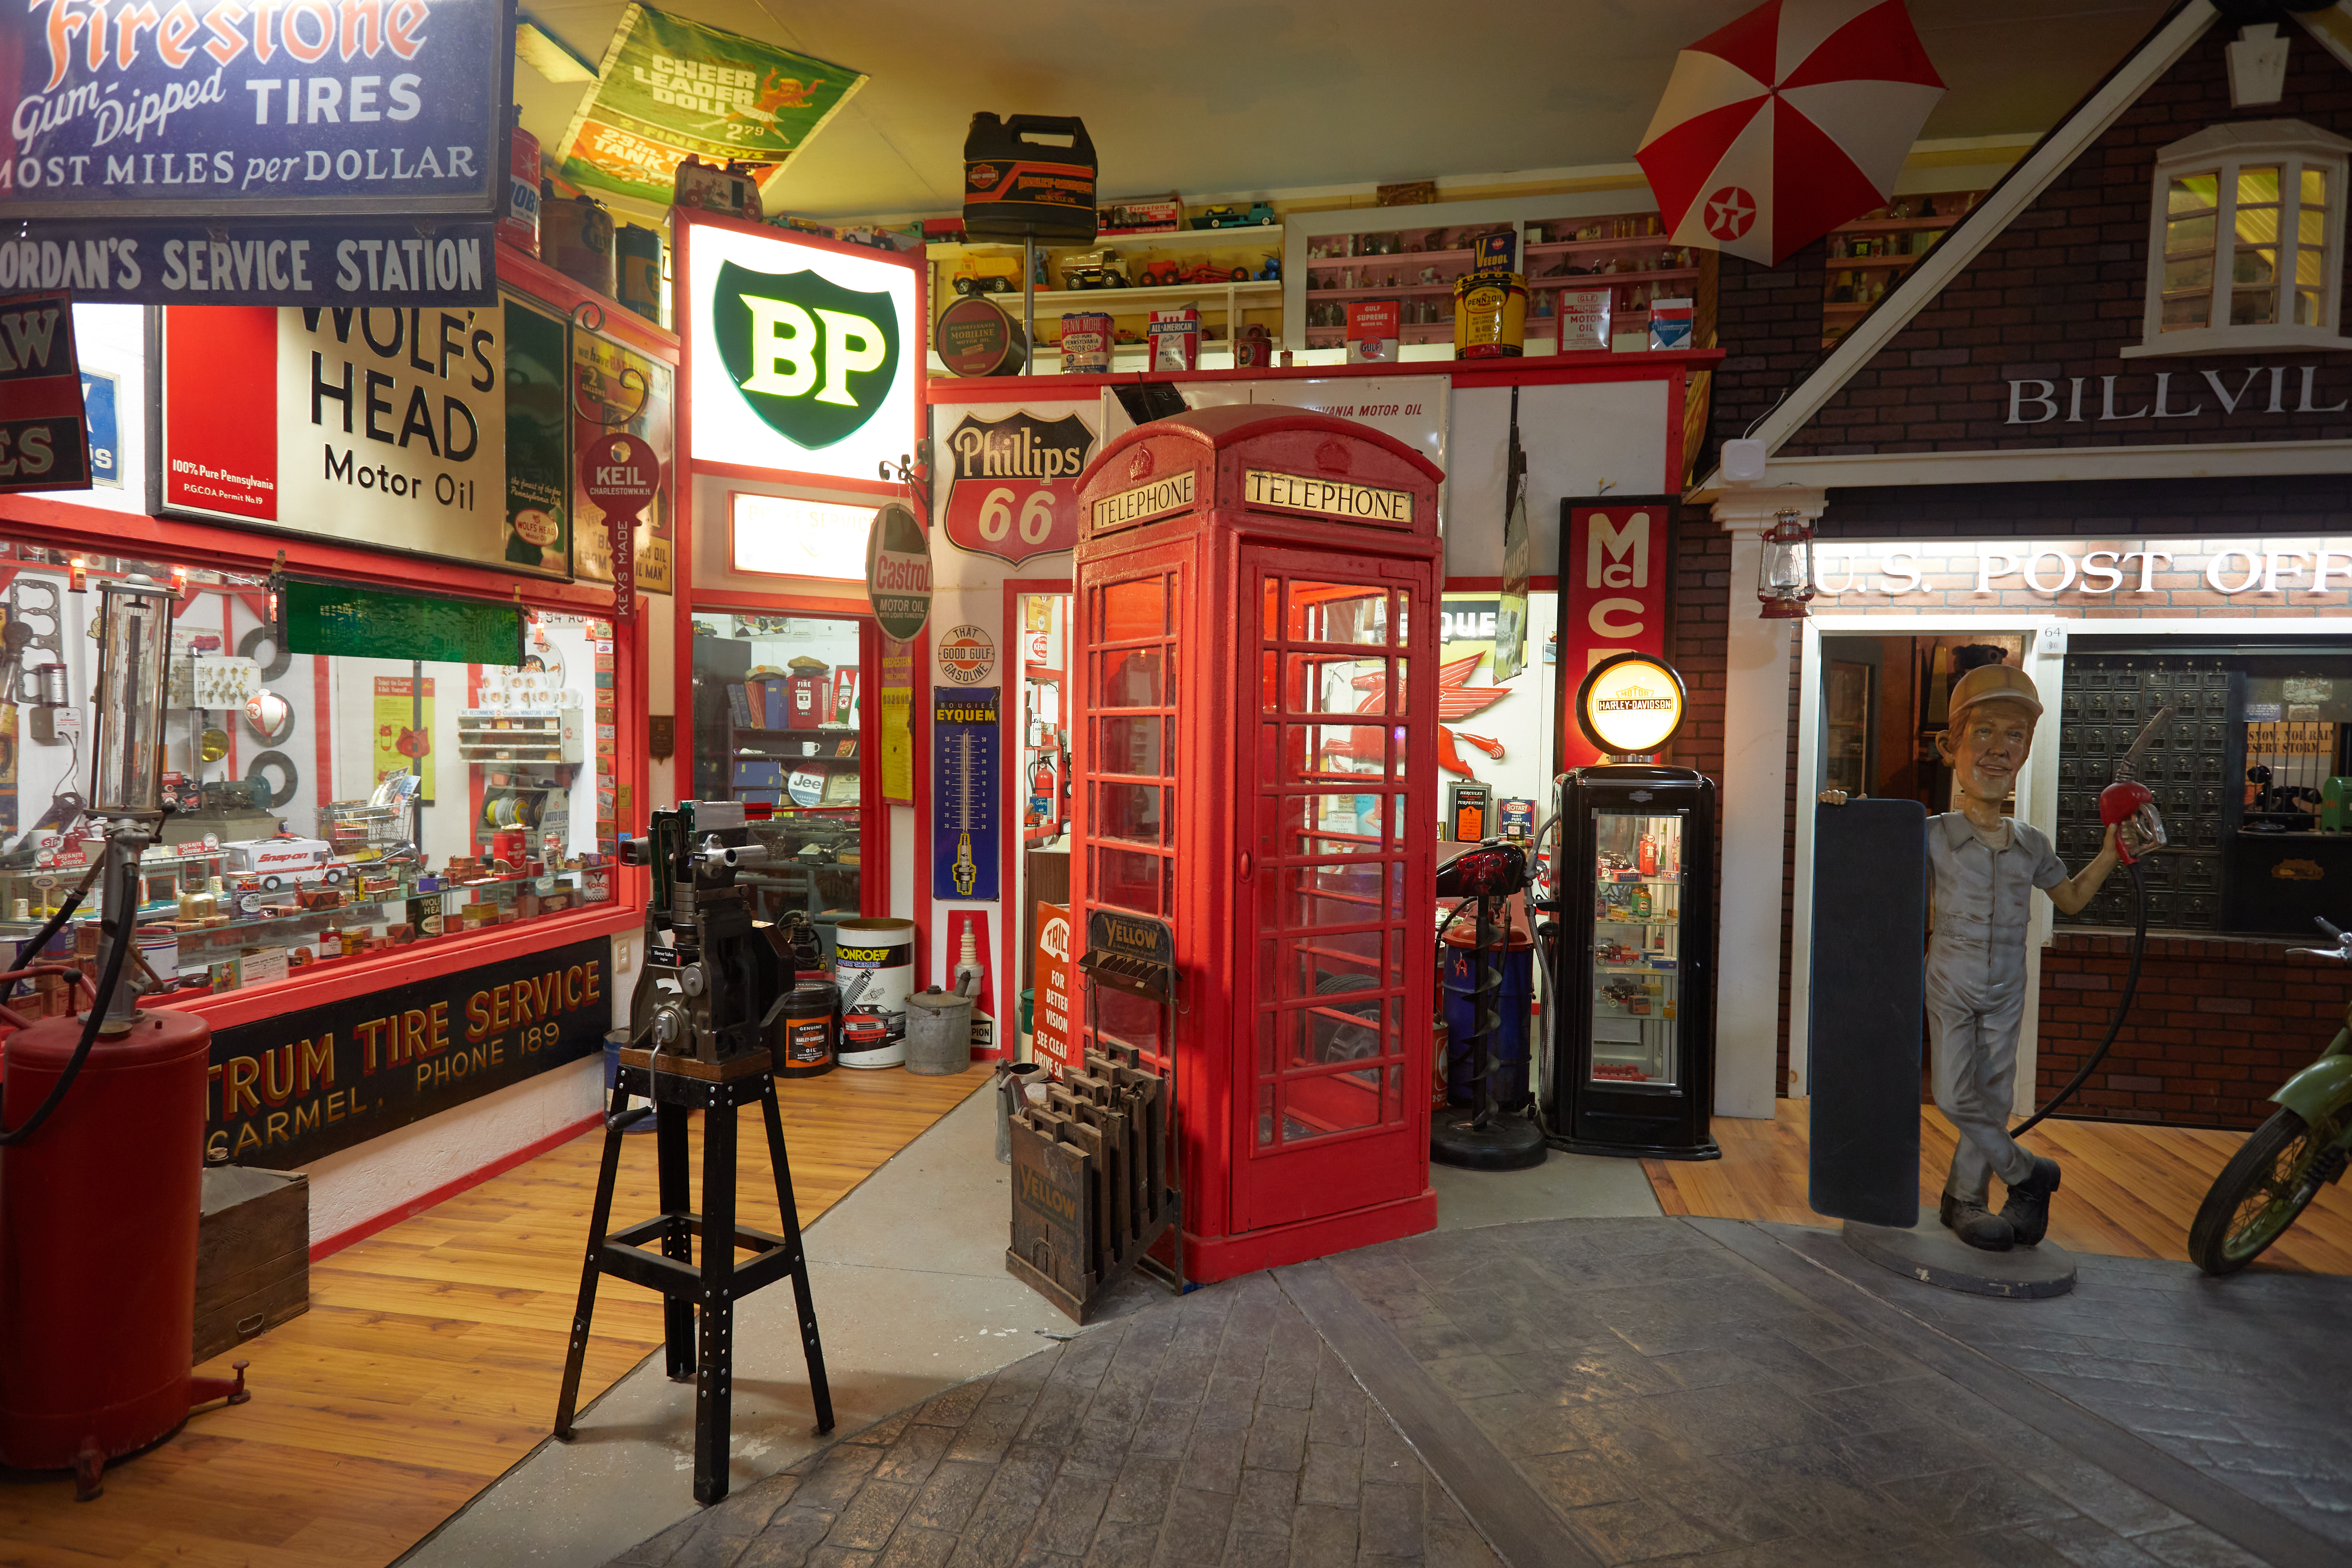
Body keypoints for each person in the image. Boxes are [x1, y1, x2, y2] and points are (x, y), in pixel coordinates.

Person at [1830, 663, 2136, 1251]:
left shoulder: (2030, 844)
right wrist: (1845, 813)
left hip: (2009, 978)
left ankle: (1966, 1199)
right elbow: (1873, 872)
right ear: (1952, 747)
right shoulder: (1932, 834)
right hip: (1951, 972)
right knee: (1951, 1094)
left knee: (1994, 1097)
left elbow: (2069, 899)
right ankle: (2028, 1173)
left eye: (2015, 736)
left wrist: (2109, 854)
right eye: (1985, 733)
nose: (1999, 750)